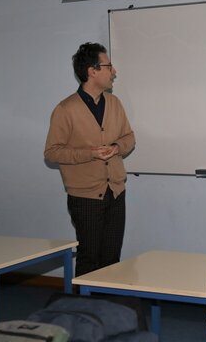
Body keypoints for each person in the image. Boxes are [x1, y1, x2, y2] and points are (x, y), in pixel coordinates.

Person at [44, 42, 135, 276]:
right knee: (89, 258)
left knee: (112, 258)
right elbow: (52, 152)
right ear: (92, 71)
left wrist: (116, 147)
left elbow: (129, 137)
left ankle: (108, 300)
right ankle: (83, 300)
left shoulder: (114, 103)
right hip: (85, 196)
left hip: (115, 191)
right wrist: (89, 153)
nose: (114, 71)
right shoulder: (65, 109)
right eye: (108, 66)